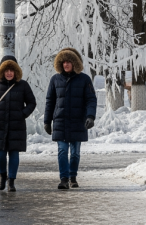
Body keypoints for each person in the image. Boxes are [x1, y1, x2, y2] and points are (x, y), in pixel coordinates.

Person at [44, 47, 97, 190]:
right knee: (62, 150)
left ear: (74, 63)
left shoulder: (84, 79)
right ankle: (64, 179)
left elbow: (91, 99)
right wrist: (47, 121)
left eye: (69, 61)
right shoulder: (55, 79)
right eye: (63, 62)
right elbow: (50, 101)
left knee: (75, 153)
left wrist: (90, 116)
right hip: (60, 121)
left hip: (77, 122)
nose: (66, 64)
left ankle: (73, 176)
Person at [0, 55, 37, 191]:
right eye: (6, 70)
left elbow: (32, 102)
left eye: (12, 70)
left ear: (16, 71)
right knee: (0, 154)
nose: (9, 73)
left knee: (14, 153)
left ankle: (11, 181)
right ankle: (3, 176)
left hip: (16, 126)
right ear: (2, 70)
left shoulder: (23, 85)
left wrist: (22, 114)